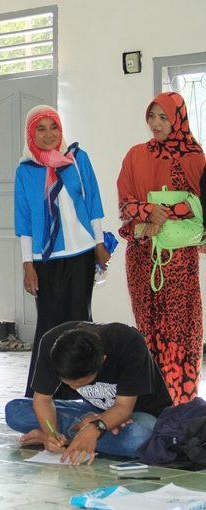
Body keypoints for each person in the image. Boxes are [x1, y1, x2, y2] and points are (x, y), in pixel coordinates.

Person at [117, 92, 205, 405]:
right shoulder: (136, 155)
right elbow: (124, 204)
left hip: (178, 259)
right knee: (148, 328)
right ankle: (153, 401)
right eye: (151, 116)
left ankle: (181, 401)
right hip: (142, 257)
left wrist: (166, 211)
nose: (155, 124)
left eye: (163, 117)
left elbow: (200, 206)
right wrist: (146, 212)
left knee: (180, 329)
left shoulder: (194, 157)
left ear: (177, 119)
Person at [15, 105, 110, 398]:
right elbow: (24, 220)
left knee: (80, 321)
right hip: (46, 259)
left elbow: (93, 201)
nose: (48, 135)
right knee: (49, 326)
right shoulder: (26, 170)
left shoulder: (77, 159)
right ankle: (43, 393)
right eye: (40, 129)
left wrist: (98, 242)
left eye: (53, 127)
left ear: (60, 129)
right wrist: (27, 263)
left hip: (81, 252)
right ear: (31, 134)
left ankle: (83, 393)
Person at [5, 321, 171, 463]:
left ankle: (77, 435)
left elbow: (123, 409)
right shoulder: (53, 344)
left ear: (102, 360)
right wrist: (51, 434)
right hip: (92, 412)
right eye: (67, 383)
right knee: (14, 410)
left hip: (137, 414)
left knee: (139, 438)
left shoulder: (128, 343)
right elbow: (42, 400)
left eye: (80, 382)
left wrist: (95, 427)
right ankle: (74, 434)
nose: (74, 388)